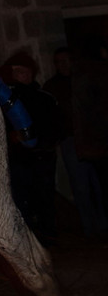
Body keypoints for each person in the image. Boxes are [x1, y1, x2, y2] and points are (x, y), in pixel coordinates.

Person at [43, 46, 108, 237]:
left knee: (99, 183)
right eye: (58, 62)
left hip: (92, 138)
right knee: (80, 186)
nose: (63, 65)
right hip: (70, 140)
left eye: (66, 61)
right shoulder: (53, 86)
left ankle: (103, 224)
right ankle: (89, 227)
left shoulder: (87, 80)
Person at [0, 51, 60, 246]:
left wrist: (44, 143)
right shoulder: (5, 100)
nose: (21, 76)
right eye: (16, 71)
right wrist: (11, 137)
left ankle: (48, 236)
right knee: (21, 199)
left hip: (42, 157)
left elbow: (55, 126)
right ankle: (27, 240)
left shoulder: (45, 98)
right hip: (18, 159)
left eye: (24, 72)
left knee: (45, 198)